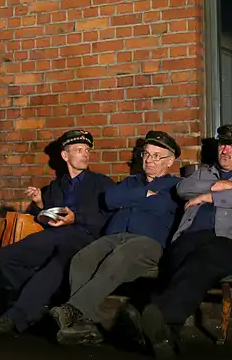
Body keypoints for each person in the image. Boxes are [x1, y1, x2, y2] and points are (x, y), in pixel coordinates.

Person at [135, 124, 232, 358]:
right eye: (223, 144)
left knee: (200, 264)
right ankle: (164, 338)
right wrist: (220, 186)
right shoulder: (202, 172)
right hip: (189, 237)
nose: (226, 150)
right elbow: (183, 188)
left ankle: (160, 314)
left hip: (228, 240)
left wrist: (208, 196)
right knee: (177, 262)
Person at [50, 130, 182, 345]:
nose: (150, 160)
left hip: (147, 242)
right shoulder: (131, 182)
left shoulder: (176, 186)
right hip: (115, 236)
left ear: (170, 161)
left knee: (121, 257)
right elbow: (110, 199)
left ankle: (72, 310)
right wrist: (143, 196)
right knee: (83, 258)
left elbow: (162, 205)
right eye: (147, 154)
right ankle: (87, 326)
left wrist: (131, 200)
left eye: (157, 156)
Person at [0, 129, 115, 336]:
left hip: (84, 238)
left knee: (58, 262)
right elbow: (46, 215)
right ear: (65, 156)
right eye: (79, 150)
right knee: (5, 256)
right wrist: (38, 202)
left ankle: (16, 317)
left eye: (87, 150)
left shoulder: (102, 184)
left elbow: (106, 217)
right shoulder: (56, 186)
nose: (85, 154)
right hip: (54, 235)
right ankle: (40, 305)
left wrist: (76, 218)